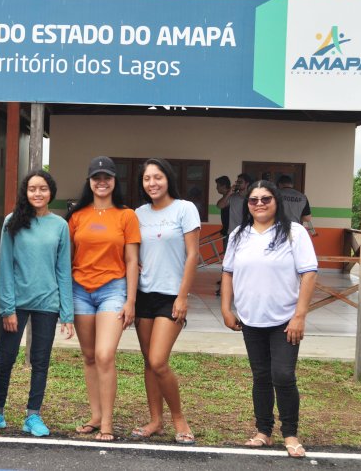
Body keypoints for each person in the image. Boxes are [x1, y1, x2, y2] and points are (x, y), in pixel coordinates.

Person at [220, 180, 317, 459]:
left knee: (283, 376)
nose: (259, 204)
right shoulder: (239, 234)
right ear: (247, 205)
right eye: (253, 200)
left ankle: (291, 434)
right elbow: (228, 273)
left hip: (286, 319)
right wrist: (227, 309)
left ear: (276, 201)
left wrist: (300, 316)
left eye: (265, 199)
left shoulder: (294, 232)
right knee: (261, 377)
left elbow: (309, 274)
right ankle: (263, 431)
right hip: (251, 319)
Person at [0, 170, 74, 437]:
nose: (37, 193)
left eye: (43, 188)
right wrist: (7, 308)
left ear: (50, 192)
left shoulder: (60, 226)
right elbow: (5, 267)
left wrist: (67, 313)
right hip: (17, 304)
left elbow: (63, 270)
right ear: (26, 192)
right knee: (5, 359)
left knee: (41, 361)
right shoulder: (13, 221)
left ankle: (33, 415)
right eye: (32, 189)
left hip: (48, 304)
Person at [66, 156, 140, 442]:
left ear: (114, 181)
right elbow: (68, 258)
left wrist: (130, 300)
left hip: (113, 289)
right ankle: (95, 416)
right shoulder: (77, 216)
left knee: (104, 354)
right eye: (96, 177)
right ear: (89, 182)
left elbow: (132, 261)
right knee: (88, 356)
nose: (101, 182)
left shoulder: (126, 215)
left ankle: (107, 422)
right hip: (80, 290)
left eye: (106, 177)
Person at [132, 159, 199, 445]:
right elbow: (132, 252)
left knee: (159, 360)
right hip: (144, 295)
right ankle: (155, 421)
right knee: (149, 362)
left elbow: (193, 254)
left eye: (157, 177)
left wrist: (183, 296)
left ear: (168, 179)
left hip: (171, 295)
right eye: (147, 179)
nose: (152, 183)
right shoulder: (137, 214)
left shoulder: (185, 209)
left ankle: (178, 418)